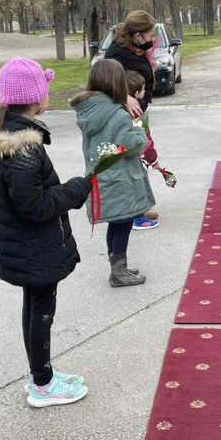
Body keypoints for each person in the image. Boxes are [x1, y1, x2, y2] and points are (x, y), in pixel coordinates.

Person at [0, 58, 92, 408]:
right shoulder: (22, 149)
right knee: (41, 309)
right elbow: (33, 205)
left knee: (34, 305)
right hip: (33, 246)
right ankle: (43, 384)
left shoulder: (7, 137)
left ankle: (42, 373)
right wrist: (77, 189)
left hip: (24, 247)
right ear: (38, 97)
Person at [71, 59, 154, 287]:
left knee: (115, 223)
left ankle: (117, 266)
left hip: (102, 178)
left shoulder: (92, 111)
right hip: (120, 180)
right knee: (124, 223)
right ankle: (119, 271)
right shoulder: (118, 114)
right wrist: (139, 132)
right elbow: (129, 145)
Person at [105, 10, 160, 229]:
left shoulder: (135, 48)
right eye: (149, 35)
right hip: (125, 117)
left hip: (138, 113)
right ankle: (132, 215)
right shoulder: (116, 54)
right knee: (132, 164)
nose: (151, 39)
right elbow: (103, 81)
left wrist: (150, 70)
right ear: (137, 35)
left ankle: (138, 207)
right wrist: (124, 96)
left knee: (142, 160)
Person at [125, 70, 162, 231]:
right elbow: (145, 140)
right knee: (137, 188)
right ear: (136, 92)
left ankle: (140, 212)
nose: (145, 91)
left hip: (127, 158)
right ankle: (137, 218)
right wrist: (153, 159)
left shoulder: (121, 108)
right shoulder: (136, 112)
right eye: (143, 89)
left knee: (132, 187)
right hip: (136, 159)